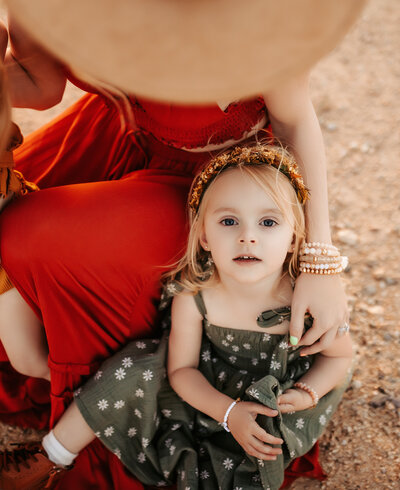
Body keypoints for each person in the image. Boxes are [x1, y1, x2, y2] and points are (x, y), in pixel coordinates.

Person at [0, 5, 358, 488]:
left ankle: (88, 420)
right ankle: (68, 386)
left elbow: (296, 121)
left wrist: (319, 260)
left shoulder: (246, 19)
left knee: (25, 231)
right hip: (121, 136)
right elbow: (40, 84)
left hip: (218, 183)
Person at [0, 144, 353, 490]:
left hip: (272, 408)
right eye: (229, 221)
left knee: (254, 456)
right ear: (203, 237)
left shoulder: (305, 300)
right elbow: (181, 371)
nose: (248, 237)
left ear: (294, 238)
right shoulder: (196, 294)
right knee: (131, 369)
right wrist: (227, 412)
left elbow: (340, 357)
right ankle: (54, 454)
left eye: (268, 222)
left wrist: (309, 392)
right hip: (202, 396)